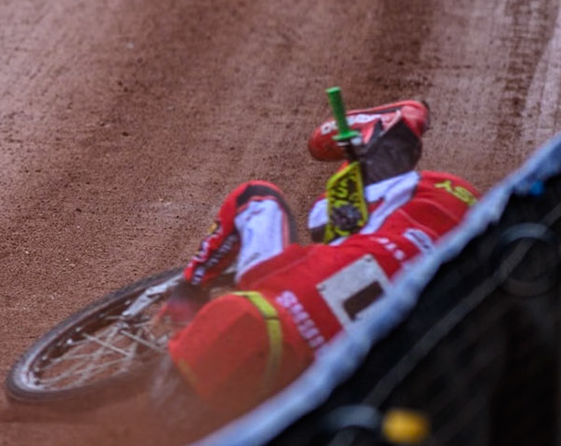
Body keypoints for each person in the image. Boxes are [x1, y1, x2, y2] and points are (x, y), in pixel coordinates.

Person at [160, 99, 477, 417]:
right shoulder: (267, 279)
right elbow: (254, 197)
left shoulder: (316, 386)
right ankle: (392, 124)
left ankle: (394, 125)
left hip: (465, 253)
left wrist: (191, 284)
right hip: (448, 215)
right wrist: (192, 286)